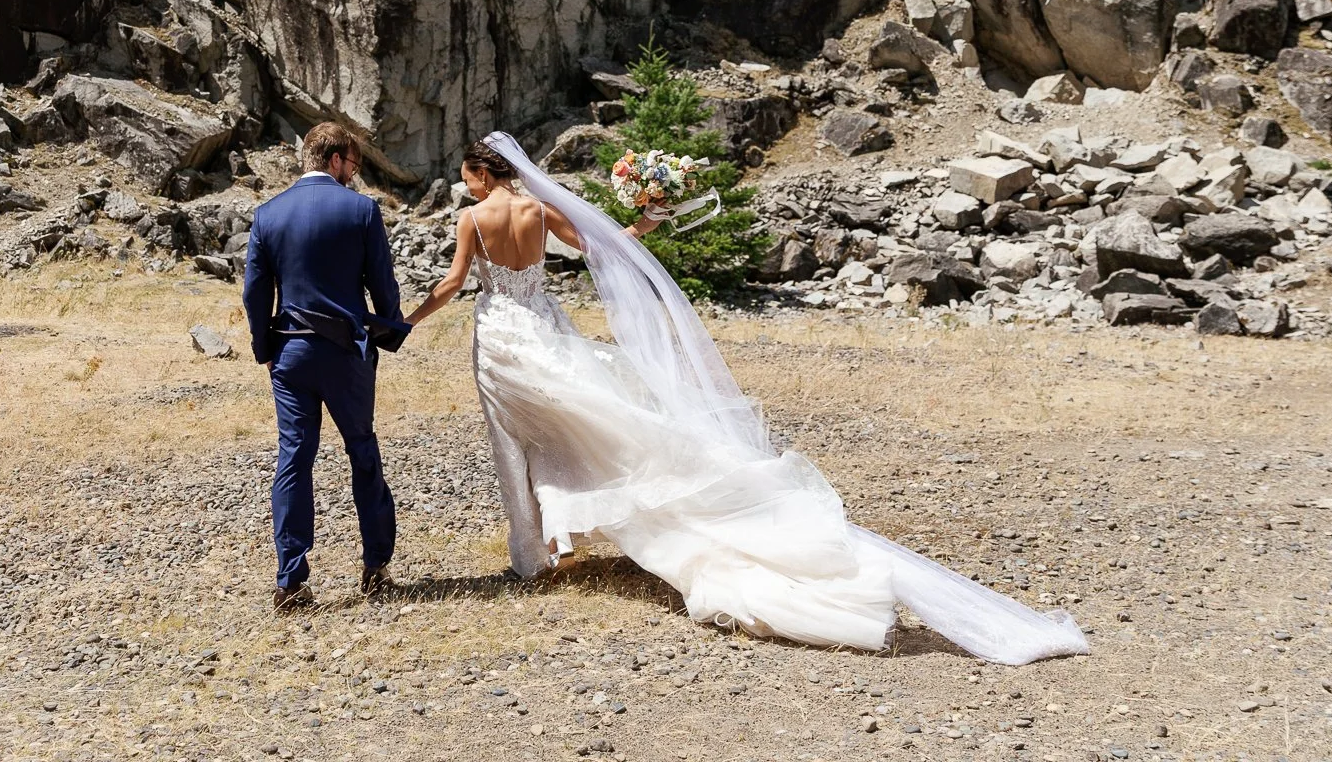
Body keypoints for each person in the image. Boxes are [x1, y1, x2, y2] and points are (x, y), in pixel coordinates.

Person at [409, 134, 1089, 663]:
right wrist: (647, 221)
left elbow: (451, 285)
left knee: (515, 439)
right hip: (550, 328)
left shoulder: (476, 217)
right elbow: (605, 245)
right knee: (592, 424)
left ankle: (534, 555)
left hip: (503, 335)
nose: (462, 186)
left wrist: (403, 322)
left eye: (466, 175)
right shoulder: (537, 208)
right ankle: (559, 540)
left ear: (481, 174)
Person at [242, 122, 407, 611]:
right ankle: (376, 566)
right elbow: (383, 282)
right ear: (335, 160)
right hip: (344, 355)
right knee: (362, 450)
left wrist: (263, 347)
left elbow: (255, 292)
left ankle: (290, 581)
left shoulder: (268, 214)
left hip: (290, 354)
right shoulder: (360, 210)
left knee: (293, 458)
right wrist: (391, 328)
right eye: (354, 165)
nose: (354, 175)